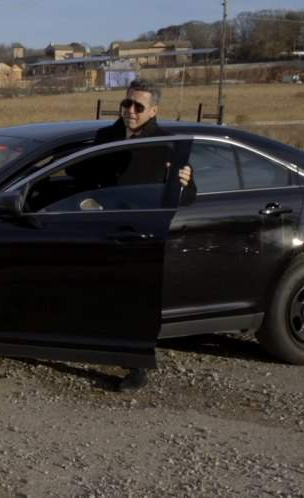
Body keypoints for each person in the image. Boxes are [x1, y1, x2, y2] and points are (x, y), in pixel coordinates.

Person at [95, 79, 196, 392]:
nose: (131, 112)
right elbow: (84, 176)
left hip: (140, 233)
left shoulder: (167, 145)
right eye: (127, 104)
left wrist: (184, 181)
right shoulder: (104, 137)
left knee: (135, 301)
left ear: (153, 110)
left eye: (139, 107)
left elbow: (188, 195)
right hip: (99, 227)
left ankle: (137, 367)